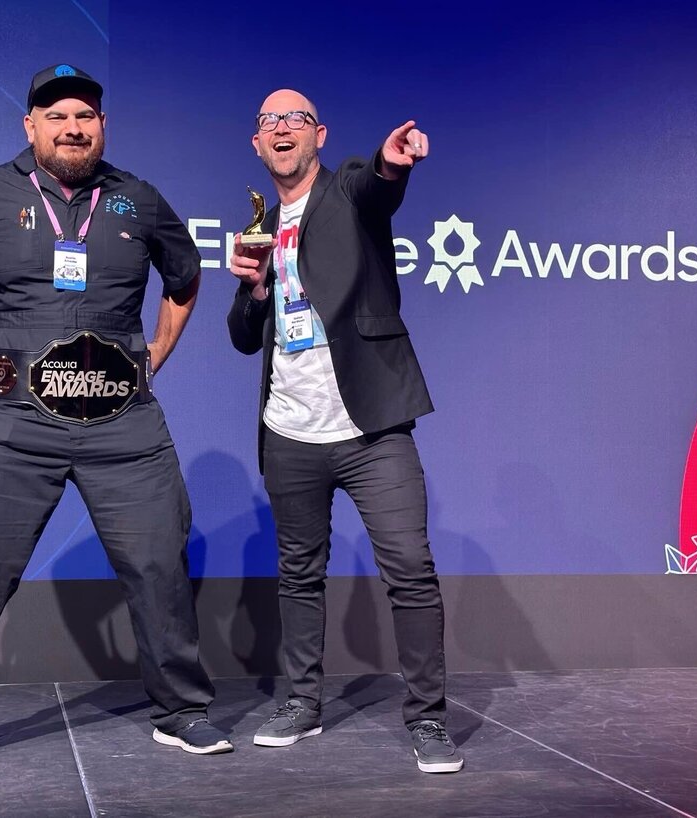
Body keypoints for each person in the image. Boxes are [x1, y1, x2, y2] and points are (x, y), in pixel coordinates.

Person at [0, 64, 231, 774]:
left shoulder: (137, 199)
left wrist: (156, 354)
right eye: (56, 116)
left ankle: (182, 710)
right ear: (30, 126)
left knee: (159, 561)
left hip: (124, 424)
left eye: (84, 116)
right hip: (13, 421)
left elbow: (186, 275)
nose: (71, 128)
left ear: (102, 125)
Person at [227, 89, 463, 774]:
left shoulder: (349, 193)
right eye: (269, 120)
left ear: (319, 136)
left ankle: (427, 719)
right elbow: (244, 338)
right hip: (290, 431)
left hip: (371, 427)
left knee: (410, 570)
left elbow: (378, 186)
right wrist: (255, 287)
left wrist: (395, 168)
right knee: (299, 574)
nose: (281, 129)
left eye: (295, 120)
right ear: (256, 142)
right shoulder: (259, 226)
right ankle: (302, 703)